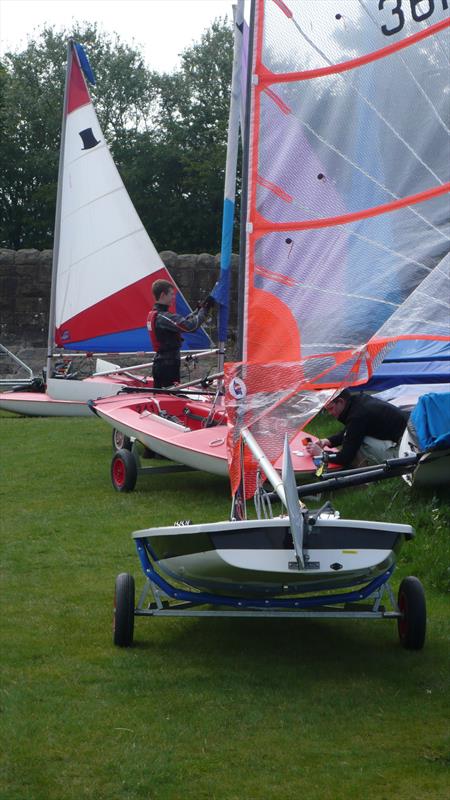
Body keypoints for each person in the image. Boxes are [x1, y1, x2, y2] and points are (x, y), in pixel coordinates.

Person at [305, 388, 409, 468]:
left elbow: (345, 457)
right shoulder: (359, 401)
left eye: (331, 408)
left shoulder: (357, 416)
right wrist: (327, 441)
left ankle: (365, 479)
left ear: (341, 401)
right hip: (410, 440)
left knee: (360, 445)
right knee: (356, 437)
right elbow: (352, 431)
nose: (331, 413)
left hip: (405, 453)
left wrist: (321, 454)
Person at [147, 279, 215, 388]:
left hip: (165, 363)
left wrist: (197, 311)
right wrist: (205, 309)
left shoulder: (160, 315)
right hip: (167, 366)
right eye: (171, 294)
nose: (173, 297)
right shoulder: (163, 317)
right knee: (169, 398)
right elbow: (189, 326)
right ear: (163, 295)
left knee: (166, 396)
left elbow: (183, 321)